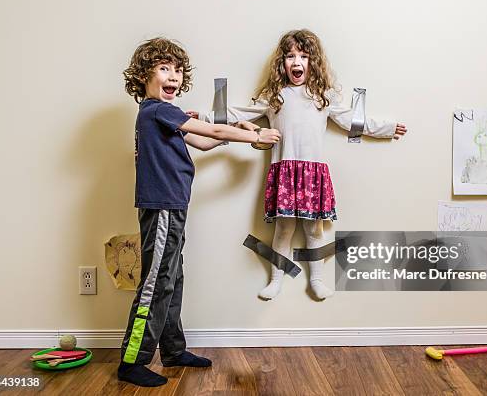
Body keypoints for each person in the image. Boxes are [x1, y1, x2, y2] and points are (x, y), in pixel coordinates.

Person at [118, 37, 280, 387]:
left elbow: (206, 140)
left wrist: (245, 133)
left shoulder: (164, 115)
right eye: (164, 68)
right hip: (161, 207)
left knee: (171, 279)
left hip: (174, 206)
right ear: (144, 75)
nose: (172, 76)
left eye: (177, 70)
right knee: (155, 283)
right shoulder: (156, 110)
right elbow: (212, 129)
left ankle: (174, 350)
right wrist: (251, 131)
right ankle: (132, 361)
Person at [201, 29, 407, 300]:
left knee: (314, 229)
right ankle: (275, 280)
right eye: (290, 56)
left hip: (312, 172)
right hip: (284, 170)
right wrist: (203, 118)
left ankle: (317, 281)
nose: (296, 62)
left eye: (303, 56)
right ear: (282, 62)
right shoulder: (274, 96)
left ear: (313, 61)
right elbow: (238, 113)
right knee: (283, 229)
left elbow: (352, 121)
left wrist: (387, 128)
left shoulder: (322, 96)